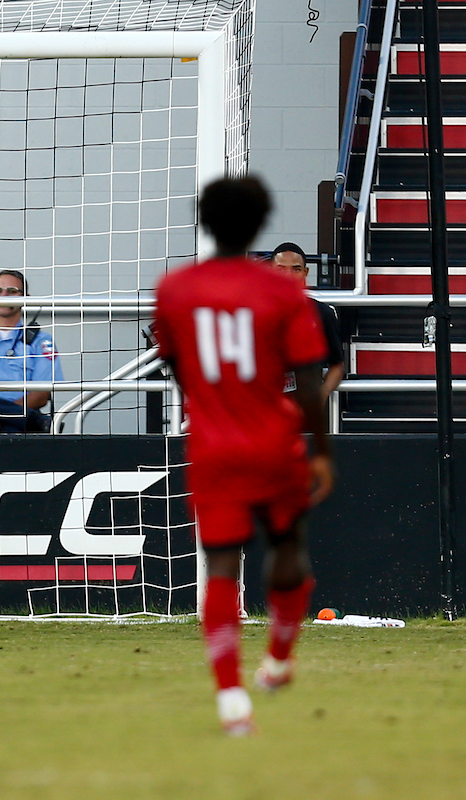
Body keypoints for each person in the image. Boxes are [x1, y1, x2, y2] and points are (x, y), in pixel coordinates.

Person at [153, 176, 334, 736]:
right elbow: (307, 380)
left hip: (212, 446)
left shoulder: (175, 289)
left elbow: (175, 361)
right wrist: (320, 450)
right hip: (274, 442)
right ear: (260, 226)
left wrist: (207, 400)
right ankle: (279, 657)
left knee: (223, 564)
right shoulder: (282, 293)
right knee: (287, 546)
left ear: (205, 222)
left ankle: (231, 699)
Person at [269, 242, 346, 401]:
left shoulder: (323, 313)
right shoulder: (253, 313)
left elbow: (337, 366)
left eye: (296, 269)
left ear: (305, 273)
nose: (288, 275)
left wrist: (321, 395)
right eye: (281, 269)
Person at [0, 269, 63, 433]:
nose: (3, 296)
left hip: (18, 426)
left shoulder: (41, 341)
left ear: (25, 298)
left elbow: (40, 395)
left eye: (12, 291)